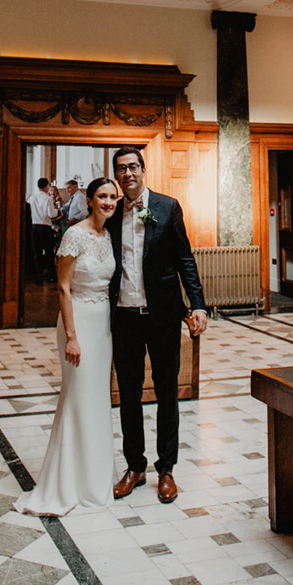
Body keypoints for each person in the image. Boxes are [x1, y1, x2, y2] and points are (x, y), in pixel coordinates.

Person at [15, 176, 121, 517]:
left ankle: (95, 478)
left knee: (96, 398)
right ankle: (66, 480)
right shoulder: (74, 234)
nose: (108, 202)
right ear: (89, 199)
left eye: (112, 197)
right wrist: (72, 336)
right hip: (78, 321)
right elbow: (62, 287)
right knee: (77, 396)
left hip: (102, 321)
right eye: (102, 196)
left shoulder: (108, 236)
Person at [107, 146, 207, 505]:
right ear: (116, 175)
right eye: (121, 168)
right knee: (128, 397)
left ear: (143, 169)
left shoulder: (167, 207)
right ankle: (135, 466)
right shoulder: (111, 211)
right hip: (124, 319)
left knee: (168, 394)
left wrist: (197, 304)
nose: (128, 173)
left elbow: (185, 258)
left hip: (163, 317)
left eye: (133, 166)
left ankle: (167, 469)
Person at [25, 177, 59, 283]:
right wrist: (57, 211)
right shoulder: (48, 198)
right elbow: (51, 214)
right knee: (49, 252)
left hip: (34, 227)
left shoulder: (32, 198)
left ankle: (38, 277)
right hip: (45, 227)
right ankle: (51, 276)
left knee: (37, 253)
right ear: (46, 186)